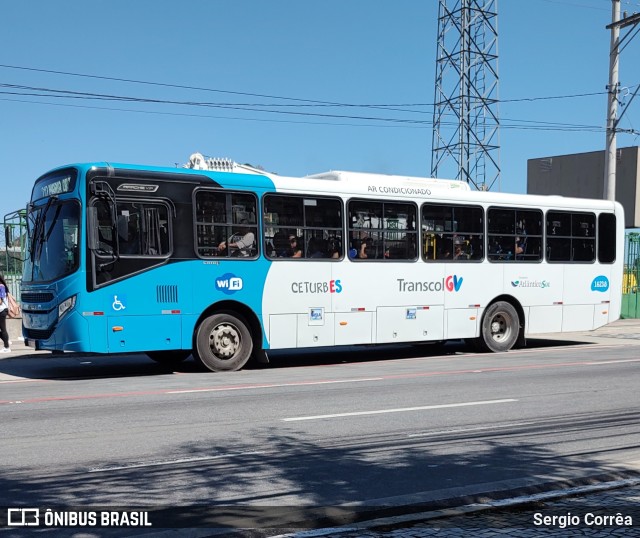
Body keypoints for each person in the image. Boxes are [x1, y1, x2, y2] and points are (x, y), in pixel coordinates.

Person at [0, 274, 12, 353]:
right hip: (3, 310)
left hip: (1, 310)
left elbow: (0, 301)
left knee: (3, 329)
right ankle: (6, 340)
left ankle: (7, 347)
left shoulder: (0, 286)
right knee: (3, 329)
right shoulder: (3, 286)